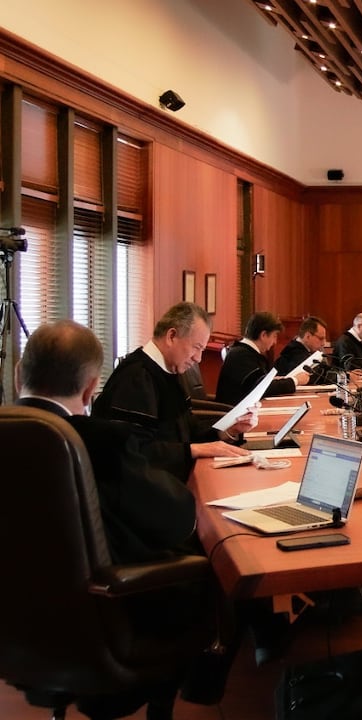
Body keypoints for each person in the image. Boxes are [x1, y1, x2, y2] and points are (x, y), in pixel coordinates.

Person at [20, 320, 231, 717]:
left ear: (19, 375)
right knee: (205, 570)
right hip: (101, 624)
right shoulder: (98, 443)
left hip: (16, 631)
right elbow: (174, 518)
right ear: (89, 389)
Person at [94, 302, 253, 481]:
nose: (198, 358)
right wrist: (194, 449)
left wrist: (227, 431)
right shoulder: (137, 377)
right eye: (196, 347)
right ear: (171, 336)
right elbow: (133, 451)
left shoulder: (167, 370)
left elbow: (186, 431)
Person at [215, 312, 311, 405]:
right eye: (274, 336)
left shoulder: (245, 352)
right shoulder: (242, 355)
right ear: (263, 335)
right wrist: (295, 380)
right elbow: (261, 388)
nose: (275, 342)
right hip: (233, 415)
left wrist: (278, 380)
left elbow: (258, 382)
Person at [273, 315, 330, 383]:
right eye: (321, 339)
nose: (323, 343)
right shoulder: (295, 354)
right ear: (308, 336)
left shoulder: (302, 350)